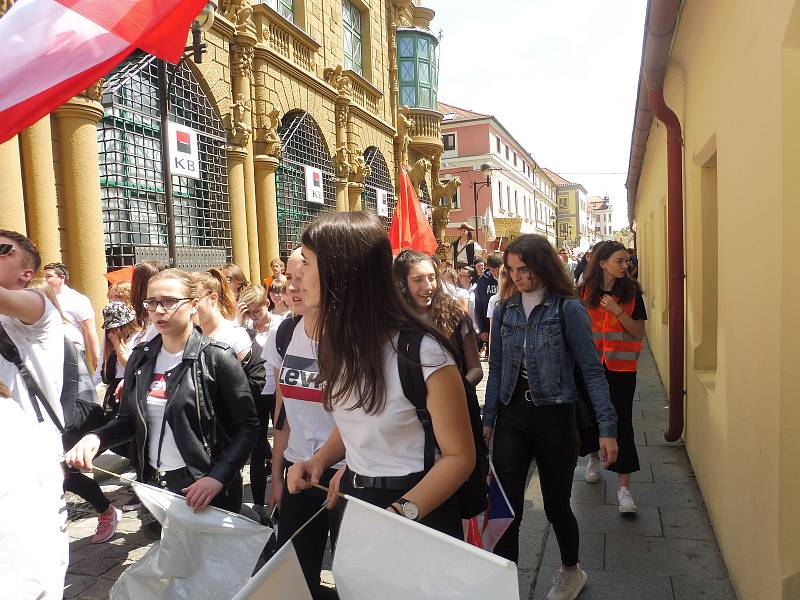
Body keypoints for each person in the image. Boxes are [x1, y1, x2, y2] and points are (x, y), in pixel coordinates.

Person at [287, 212, 475, 540]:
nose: (295, 276)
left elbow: (460, 457)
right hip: (357, 502)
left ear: (340, 271)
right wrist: (320, 460)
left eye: (306, 262)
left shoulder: (424, 353)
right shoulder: (340, 343)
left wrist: (403, 511)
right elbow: (361, 421)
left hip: (418, 510)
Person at [482, 234, 619, 600]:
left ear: (542, 265)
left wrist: (607, 428)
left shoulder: (566, 309)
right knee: (505, 507)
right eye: (511, 270)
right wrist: (488, 419)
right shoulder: (504, 309)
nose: (518, 277)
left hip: (556, 418)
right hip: (513, 415)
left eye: (524, 269)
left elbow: (592, 371)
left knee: (557, 505)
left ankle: (572, 572)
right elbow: (496, 369)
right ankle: (503, 585)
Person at [65, 268, 259, 514]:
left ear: (193, 305)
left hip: (203, 486)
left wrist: (219, 477)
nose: (158, 310)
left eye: (169, 301)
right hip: (155, 485)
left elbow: (247, 426)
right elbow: (127, 420)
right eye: (152, 302)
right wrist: (96, 437)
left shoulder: (216, 357)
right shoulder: (140, 359)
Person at [263, 248, 343, 600]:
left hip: (345, 472)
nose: (292, 289)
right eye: (288, 280)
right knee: (296, 572)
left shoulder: (350, 338)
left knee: (350, 572)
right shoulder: (284, 334)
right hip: (299, 472)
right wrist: (277, 474)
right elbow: (284, 415)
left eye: (301, 279)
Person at [0, 230, 68, 597]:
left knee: (27, 580)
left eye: (0, 250)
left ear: (26, 273)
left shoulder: (37, 306)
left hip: (28, 466)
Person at [30, 280, 123, 544]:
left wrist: (57, 429)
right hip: (44, 417)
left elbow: (70, 387)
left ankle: (106, 511)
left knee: (63, 473)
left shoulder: (62, 334)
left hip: (69, 415)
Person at [578, 241, 646, 514]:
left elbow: (638, 333)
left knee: (622, 424)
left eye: (627, 261)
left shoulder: (631, 293)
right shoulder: (583, 293)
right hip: (591, 368)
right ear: (602, 262)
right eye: (620, 260)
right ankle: (594, 458)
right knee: (591, 417)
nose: (626, 265)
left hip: (621, 369)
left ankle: (623, 489)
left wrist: (617, 311)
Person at [393, 250, 483, 387]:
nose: (428, 286)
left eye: (431, 277)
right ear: (402, 283)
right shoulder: (392, 321)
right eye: (418, 280)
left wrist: (454, 391)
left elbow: (476, 369)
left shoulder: (455, 316)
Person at [238, 283, 286, 519]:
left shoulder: (280, 325)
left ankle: (281, 497)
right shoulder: (244, 330)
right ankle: (259, 503)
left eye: (257, 310)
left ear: (266, 304)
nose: (254, 316)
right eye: (250, 312)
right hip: (255, 393)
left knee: (281, 444)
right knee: (257, 449)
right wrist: (240, 320)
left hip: (278, 392)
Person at [43, 262, 101, 371]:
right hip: (48, 352)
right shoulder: (43, 298)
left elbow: (89, 329)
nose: (44, 280)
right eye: (44, 276)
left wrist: (95, 358)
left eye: (48, 276)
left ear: (62, 278)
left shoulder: (78, 299)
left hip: (71, 351)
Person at [194, 268, 252, 361]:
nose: (191, 308)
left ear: (213, 298)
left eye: (196, 301)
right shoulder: (190, 336)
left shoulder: (235, 336)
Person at [474, 253, 502, 347]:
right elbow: (478, 306)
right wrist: (482, 329)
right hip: (489, 325)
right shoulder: (483, 281)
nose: (496, 274)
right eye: (493, 271)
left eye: (499, 271)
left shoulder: (508, 278)